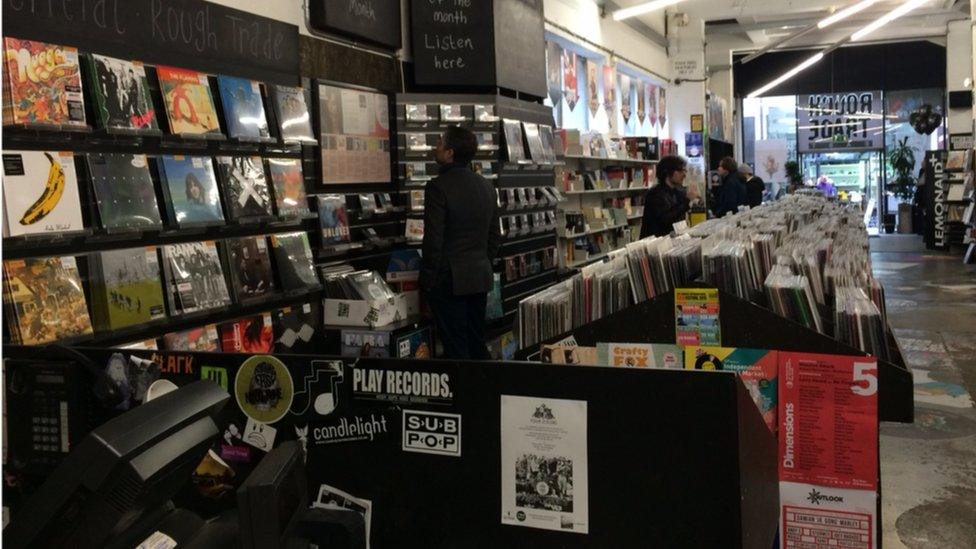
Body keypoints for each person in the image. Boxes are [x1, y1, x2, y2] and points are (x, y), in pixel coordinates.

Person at [422, 126, 501, 360]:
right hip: (479, 277)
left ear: (450, 153)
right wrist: (482, 261)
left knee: (455, 347)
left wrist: (427, 280)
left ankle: (464, 395)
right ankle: (485, 393)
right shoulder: (486, 186)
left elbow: (434, 239)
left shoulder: (437, 187)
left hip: (449, 282)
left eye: (440, 143)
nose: (436, 147)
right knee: (477, 342)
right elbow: (494, 235)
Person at [639, 155, 699, 238]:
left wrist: (695, 200)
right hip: (656, 244)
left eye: (685, 171)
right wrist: (687, 201)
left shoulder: (678, 191)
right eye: (681, 170)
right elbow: (665, 220)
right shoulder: (655, 194)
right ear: (668, 172)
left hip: (672, 241)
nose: (684, 175)